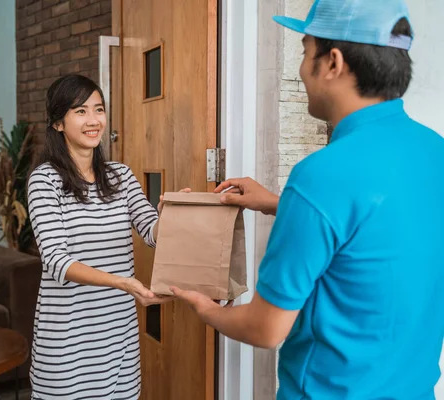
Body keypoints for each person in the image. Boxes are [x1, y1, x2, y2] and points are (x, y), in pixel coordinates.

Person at [171, 0, 444, 398]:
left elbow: (266, 328)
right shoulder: (434, 150)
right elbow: (380, 234)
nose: (300, 70)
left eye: (304, 50)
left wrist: (205, 308)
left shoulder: (322, 175)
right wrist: (281, 204)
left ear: (332, 62)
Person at [26, 74, 176, 399]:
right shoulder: (45, 181)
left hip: (117, 332)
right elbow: (57, 262)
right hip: (68, 337)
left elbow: (152, 232)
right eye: (80, 111)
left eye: (99, 109)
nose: (93, 120)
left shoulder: (120, 175)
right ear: (58, 123)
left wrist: (172, 214)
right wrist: (123, 282)